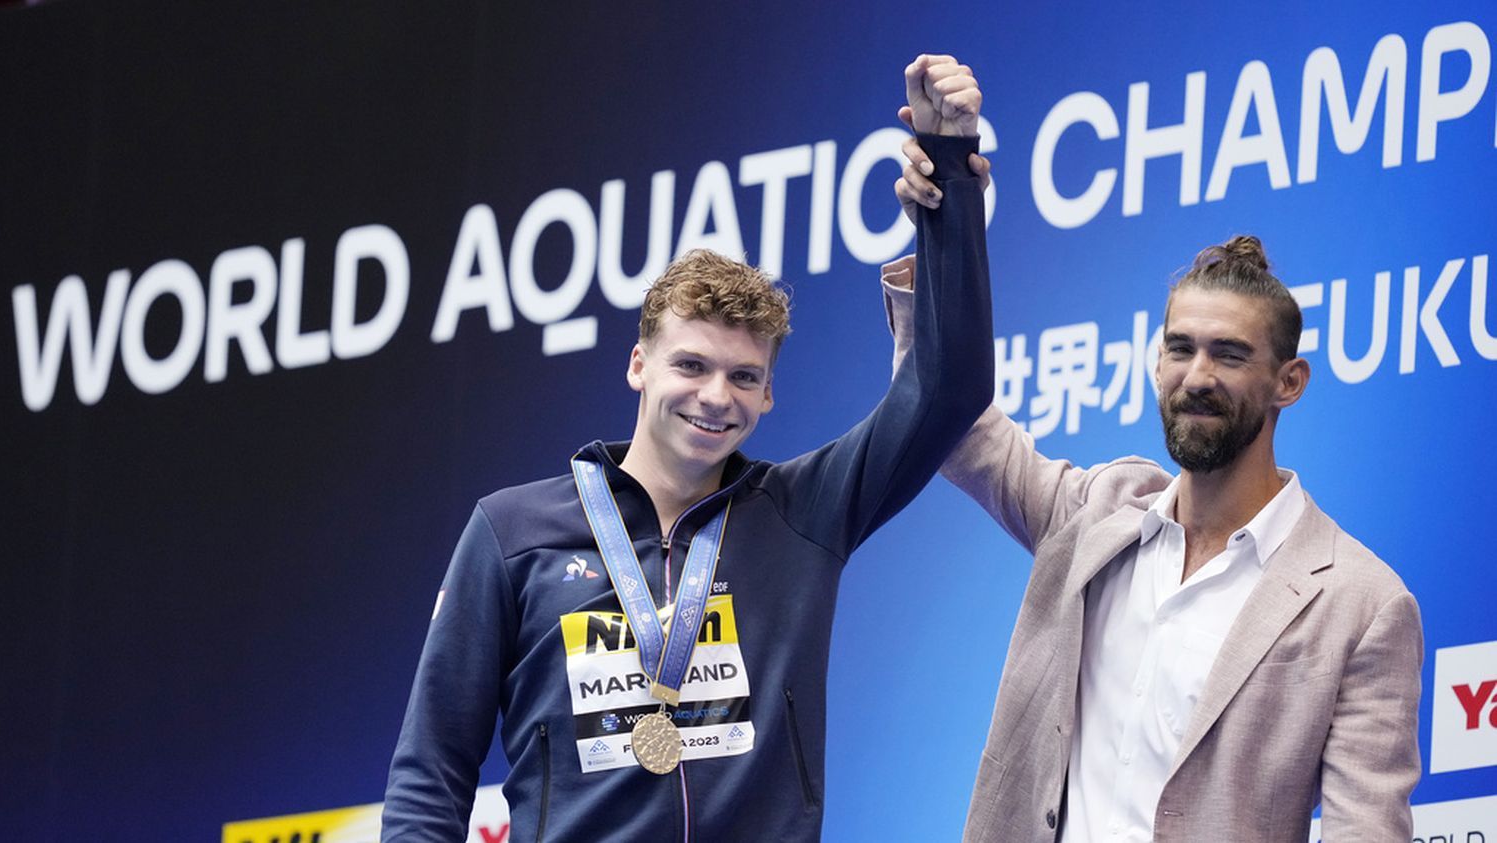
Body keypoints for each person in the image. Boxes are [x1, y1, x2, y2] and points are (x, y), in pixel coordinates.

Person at [381, 55, 993, 842]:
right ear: (639, 364)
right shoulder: (510, 533)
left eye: (745, 376)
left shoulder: (804, 512)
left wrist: (951, 174)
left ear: (770, 392)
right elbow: (431, 772)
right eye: (691, 365)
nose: (715, 396)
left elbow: (950, 387)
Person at [886, 162, 1422, 841]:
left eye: (1229, 355)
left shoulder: (1362, 602)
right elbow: (953, 422)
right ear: (1155, 361)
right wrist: (945, 232)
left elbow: (1366, 830)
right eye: (1180, 348)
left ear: (1289, 381)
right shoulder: (1098, 510)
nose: (1197, 376)